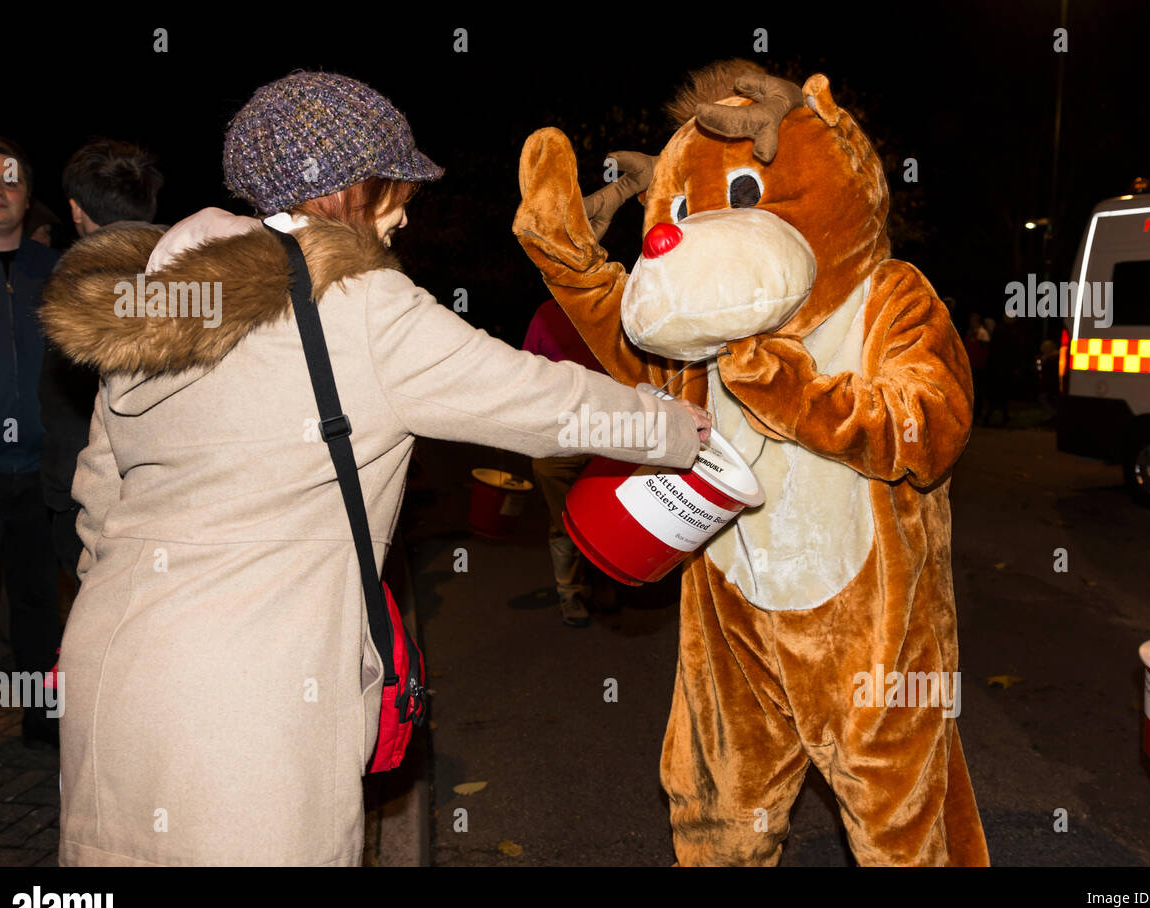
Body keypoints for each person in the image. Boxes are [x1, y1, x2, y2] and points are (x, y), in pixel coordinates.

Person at [39, 71, 710, 866]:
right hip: (247, 691)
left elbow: (98, 495)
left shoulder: (159, 308)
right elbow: (539, 399)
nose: (404, 209)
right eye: (396, 186)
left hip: (111, 663)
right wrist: (680, 427)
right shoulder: (359, 306)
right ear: (353, 190)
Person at [0, 136, 63, 788]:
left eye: (10, 180)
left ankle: (45, 726)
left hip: (46, 473)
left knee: (42, 609)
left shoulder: (58, 271)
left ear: (29, 194)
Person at [40, 139, 163, 577]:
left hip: (96, 495)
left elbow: (67, 393)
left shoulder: (78, 272)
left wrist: (58, 490)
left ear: (76, 209)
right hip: (171, 488)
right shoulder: (195, 260)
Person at [522, 298, 607, 627]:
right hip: (556, 440)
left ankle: (604, 584)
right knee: (565, 521)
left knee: (606, 516)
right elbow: (527, 374)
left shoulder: (608, 307)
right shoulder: (545, 315)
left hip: (608, 435)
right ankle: (570, 592)